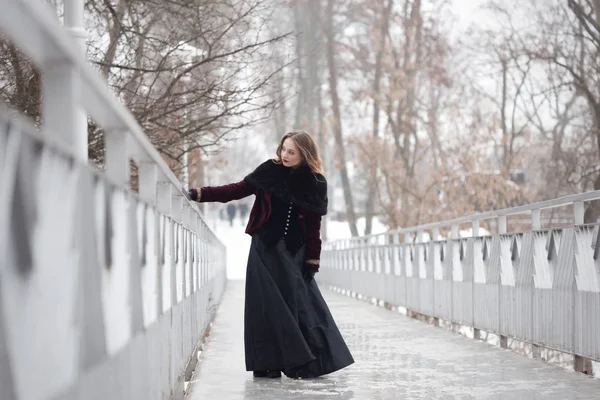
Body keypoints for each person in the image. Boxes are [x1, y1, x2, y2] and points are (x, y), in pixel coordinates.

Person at [187, 131, 354, 379]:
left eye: (291, 152)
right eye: (283, 149)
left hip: (294, 252)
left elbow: (313, 227)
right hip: (264, 248)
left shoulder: (315, 182)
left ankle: (308, 362)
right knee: (263, 305)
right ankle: (267, 364)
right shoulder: (269, 170)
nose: (284, 155)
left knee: (299, 304)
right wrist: (200, 193)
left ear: (304, 155)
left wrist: (312, 259)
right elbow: (236, 189)